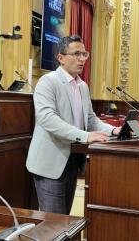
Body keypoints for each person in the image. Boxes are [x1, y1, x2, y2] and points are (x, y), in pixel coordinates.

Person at [26, 35, 122, 214]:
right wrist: (86, 136)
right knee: (54, 224)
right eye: (76, 54)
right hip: (50, 163)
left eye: (84, 54)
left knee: (65, 221)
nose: (82, 59)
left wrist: (114, 130)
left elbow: (91, 119)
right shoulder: (48, 81)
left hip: (73, 160)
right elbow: (47, 119)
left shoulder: (83, 86)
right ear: (61, 58)